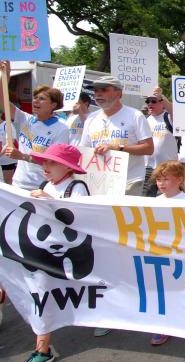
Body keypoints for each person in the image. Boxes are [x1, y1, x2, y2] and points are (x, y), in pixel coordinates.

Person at [25, 143, 90, 362]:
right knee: (43, 294)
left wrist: (49, 202)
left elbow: (80, 219)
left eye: (52, 162)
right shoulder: (45, 184)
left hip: (70, 254)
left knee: (81, 292)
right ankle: (42, 349)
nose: (45, 165)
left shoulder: (77, 187)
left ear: (68, 167)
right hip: (45, 254)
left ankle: (100, 318)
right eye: (44, 160)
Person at [0, 62, 69, 191]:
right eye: (35, 97)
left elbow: (55, 162)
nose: (35, 101)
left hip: (42, 188)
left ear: (53, 105)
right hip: (18, 185)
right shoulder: (25, 119)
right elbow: (1, 98)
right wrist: (6, 74)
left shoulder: (61, 129)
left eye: (41, 99)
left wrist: (22, 156)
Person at [80, 76, 153, 196]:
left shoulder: (135, 116)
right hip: (99, 182)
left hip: (129, 182)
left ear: (119, 92)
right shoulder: (91, 118)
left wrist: (118, 147)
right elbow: (85, 151)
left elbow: (149, 148)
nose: (98, 94)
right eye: (96, 91)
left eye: (104, 90)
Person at [147, 160, 185, 346]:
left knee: (181, 289)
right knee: (162, 291)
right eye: (159, 180)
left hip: (181, 254)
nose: (161, 183)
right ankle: (163, 325)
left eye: (166, 179)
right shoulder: (154, 202)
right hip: (159, 254)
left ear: (179, 180)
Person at [143, 88, 177, 197]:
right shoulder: (145, 120)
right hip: (149, 167)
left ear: (162, 103)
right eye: (147, 101)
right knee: (146, 198)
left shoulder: (168, 117)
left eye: (153, 101)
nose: (150, 104)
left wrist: (161, 97)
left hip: (167, 167)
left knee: (169, 196)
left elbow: (173, 111)